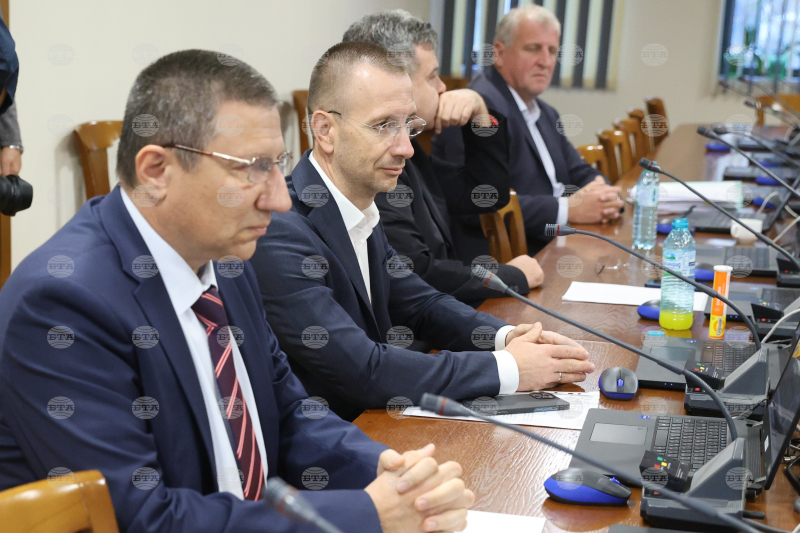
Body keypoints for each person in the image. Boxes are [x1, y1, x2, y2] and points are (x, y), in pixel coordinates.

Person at [0, 50, 474, 533]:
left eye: (277, 165)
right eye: (252, 168)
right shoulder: (62, 305)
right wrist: (368, 514)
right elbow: (143, 519)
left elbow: (289, 414)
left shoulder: (227, 261)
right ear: (156, 171)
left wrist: (389, 473)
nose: (281, 199)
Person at [249, 41, 595, 423]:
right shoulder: (280, 232)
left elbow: (421, 304)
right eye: (384, 126)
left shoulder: (359, 204)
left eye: (409, 126)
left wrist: (508, 337)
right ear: (325, 130)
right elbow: (365, 369)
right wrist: (510, 368)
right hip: (337, 436)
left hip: (379, 423)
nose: (406, 148)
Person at [342, 10, 543, 307]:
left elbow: (486, 195)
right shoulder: (371, 161)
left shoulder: (409, 151)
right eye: (432, 76)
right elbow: (418, 273)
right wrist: (511, 276)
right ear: (395, 81)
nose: (442, 87)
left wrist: (480, 112)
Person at [432, 5, 624, 256]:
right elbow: (475, 203)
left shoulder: (546, 112)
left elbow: (578, 169)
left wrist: (601, 193)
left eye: (552, 51)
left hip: (559, 242)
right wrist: (567, 209)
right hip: (514, 258)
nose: (545, 61)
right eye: (533, 48)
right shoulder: (476, 110)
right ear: (499, 54)